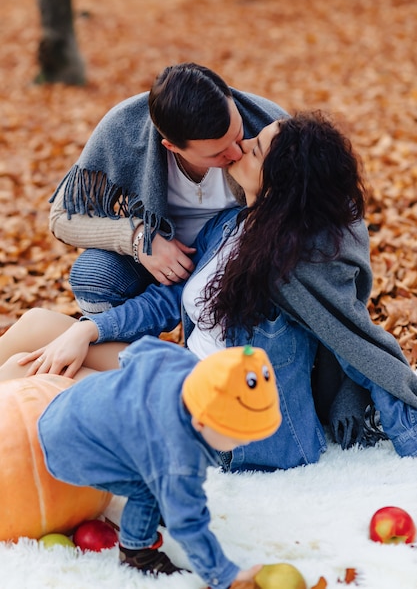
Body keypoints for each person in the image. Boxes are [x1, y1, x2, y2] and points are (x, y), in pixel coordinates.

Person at [2, 111, 417, 471]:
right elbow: (167, 299)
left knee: (34, 373)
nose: (241, 146)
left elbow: (358, 340)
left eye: (255, 149)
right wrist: (86, 331)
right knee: (40, 326)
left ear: (280, 183)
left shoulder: (296, 265)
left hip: (224, 421)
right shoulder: (230, 227)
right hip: (187, 375)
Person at [38, 338, 281, 586]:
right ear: (199, 423)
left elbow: (140, 350)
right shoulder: (178, 460)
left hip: (73, 400)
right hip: (72, 447)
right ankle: (137, 553)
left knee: (157, 473)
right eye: (237, 438)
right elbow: (187, 524)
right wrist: (224, 574)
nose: (244, 444)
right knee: (149, 489)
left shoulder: (186, 365)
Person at [49, 62, 288, 314]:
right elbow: (62, 217)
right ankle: (123, 350)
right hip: (157, 258)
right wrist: (139, 239)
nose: (237, 151)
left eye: (237, 133)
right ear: (171, 146)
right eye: (218, 153)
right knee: (92, 276)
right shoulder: (123, 129)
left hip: (237, 255)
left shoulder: (269, 122)